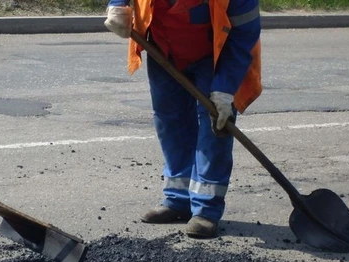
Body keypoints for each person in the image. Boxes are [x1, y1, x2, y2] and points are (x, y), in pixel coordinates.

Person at [104, 0, 262, 238]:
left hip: (215, 56)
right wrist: (117, 4)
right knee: (170, 121)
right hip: (162, 46)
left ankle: (206, 210)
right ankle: (178, 199)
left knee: (214, 126)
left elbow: (244, 35)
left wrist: (224, 89)